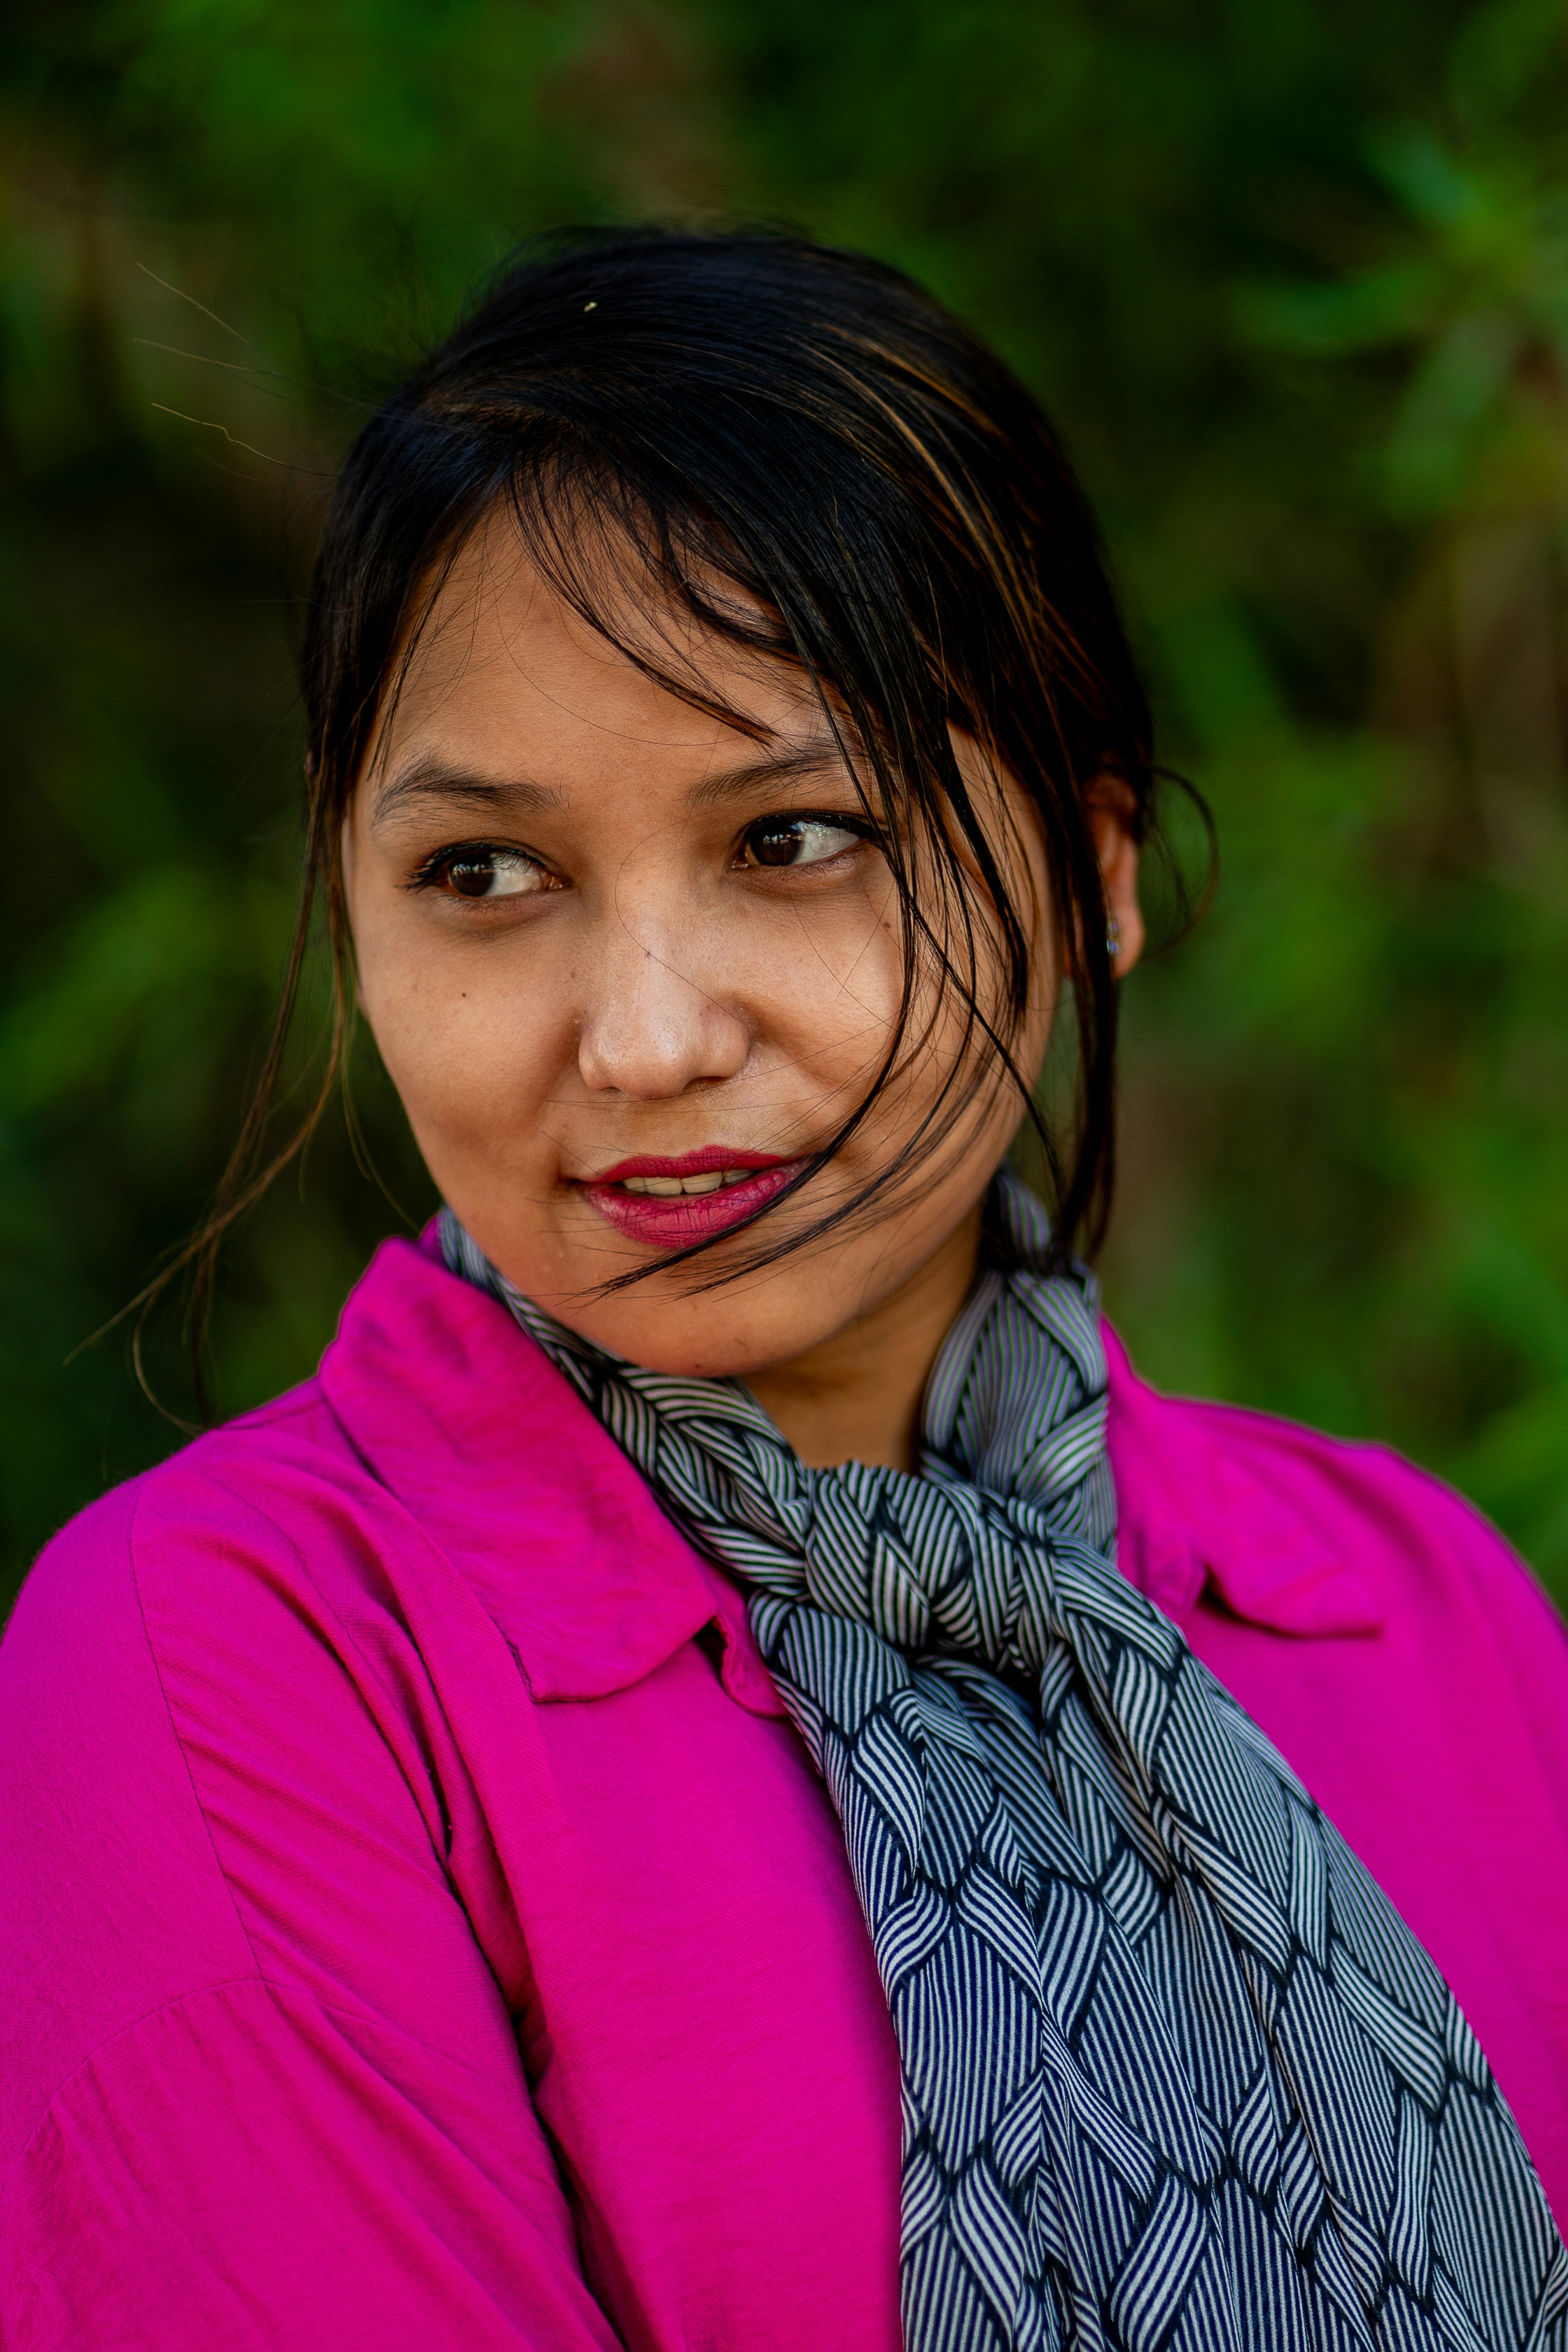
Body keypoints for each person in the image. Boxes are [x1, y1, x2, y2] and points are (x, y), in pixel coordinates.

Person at [2, 228, 1566, 2352]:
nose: (641, 1040)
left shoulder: (1414, 1601)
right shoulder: (238, 1675)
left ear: (1093, 864)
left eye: (795, 837)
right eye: (485, 874)